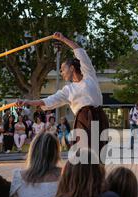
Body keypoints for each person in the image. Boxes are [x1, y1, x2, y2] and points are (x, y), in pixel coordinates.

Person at [16, 32, 109, 161]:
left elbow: (79, 51)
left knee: (99, 153)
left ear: (71, 68)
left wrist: (63, 38)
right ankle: (84, 178)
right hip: (83, 119)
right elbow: (47, 101)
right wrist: (27, 102)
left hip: (99, 117)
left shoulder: (89, 74)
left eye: (62, 69)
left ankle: (98, 178)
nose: (61, 72)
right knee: (84, 153)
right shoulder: (67, 90)